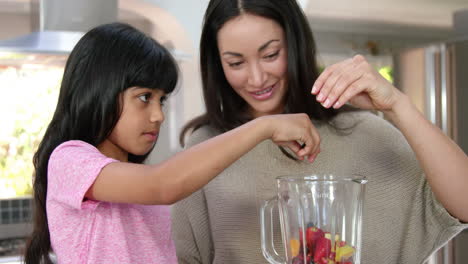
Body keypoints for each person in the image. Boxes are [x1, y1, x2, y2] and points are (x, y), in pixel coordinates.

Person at [170, 0, 468, 263]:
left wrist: (397, 105)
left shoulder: (366, 133)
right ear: (217, 63)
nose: (257, 78)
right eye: (236, 62)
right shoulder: (206, 145)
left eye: (271, 54)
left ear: (295, 44)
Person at [23, 22, 319, 264]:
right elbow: (162, 185)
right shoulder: (70, 160)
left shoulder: (136, 191)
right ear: (99, 89)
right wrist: (264, 126)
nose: (158, 115)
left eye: (161, 100)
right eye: (144, 97)